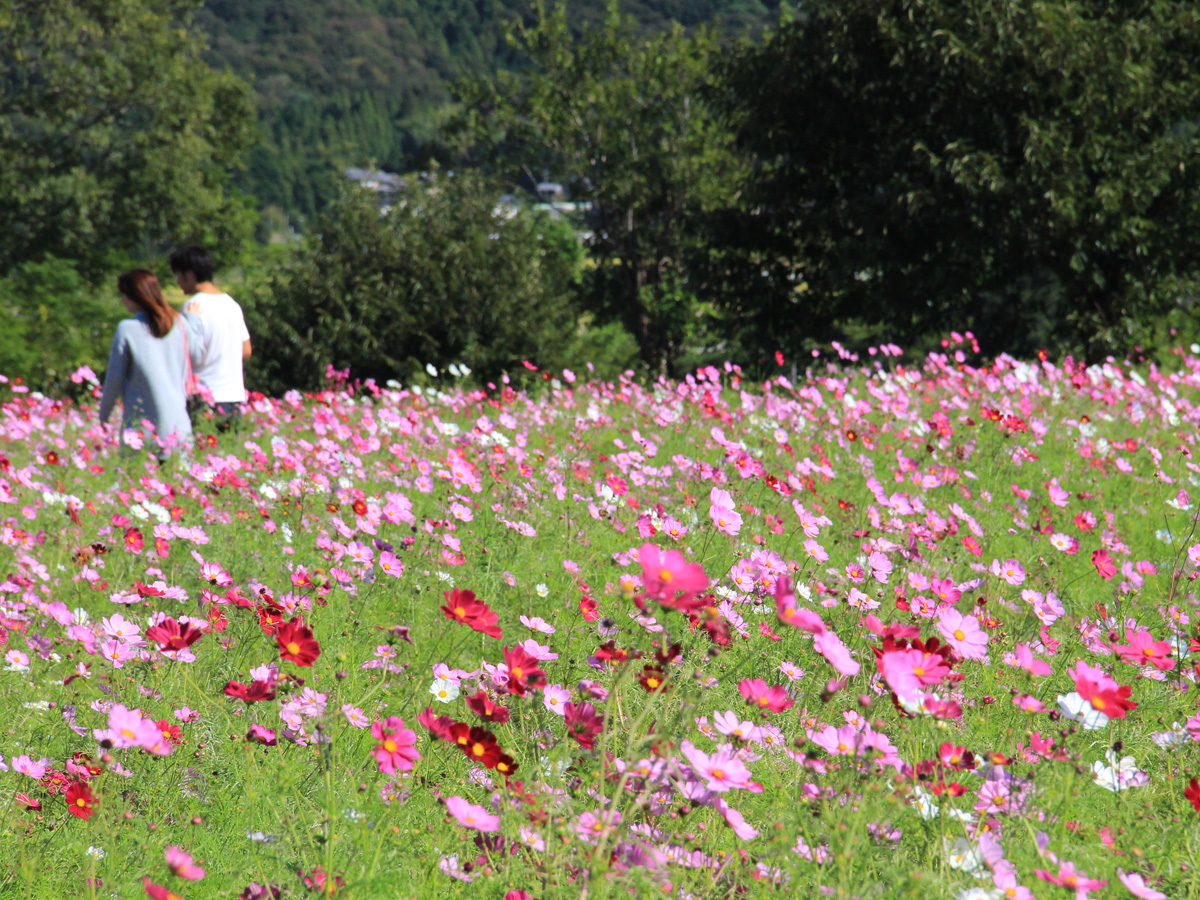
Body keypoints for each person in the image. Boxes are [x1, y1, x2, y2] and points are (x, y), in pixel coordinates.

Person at [98, 270, 195, 460]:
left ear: (135, 297)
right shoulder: (180, 324)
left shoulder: (128, 329)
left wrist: (104, 415)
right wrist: (195, 319)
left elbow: (114, 379)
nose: (123, 300)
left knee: (136, 486)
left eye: (125, 295)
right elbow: (198, 354)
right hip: (179, 429)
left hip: (142, 433)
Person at [169, 245, 251, 431]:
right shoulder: (232, 305)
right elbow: (246, 350)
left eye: (178, 275)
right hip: (233, 396)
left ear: (189, 275)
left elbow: (186, 352)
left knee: (202, 456)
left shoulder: (192, 307)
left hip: (204, 398)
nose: (178, 282)